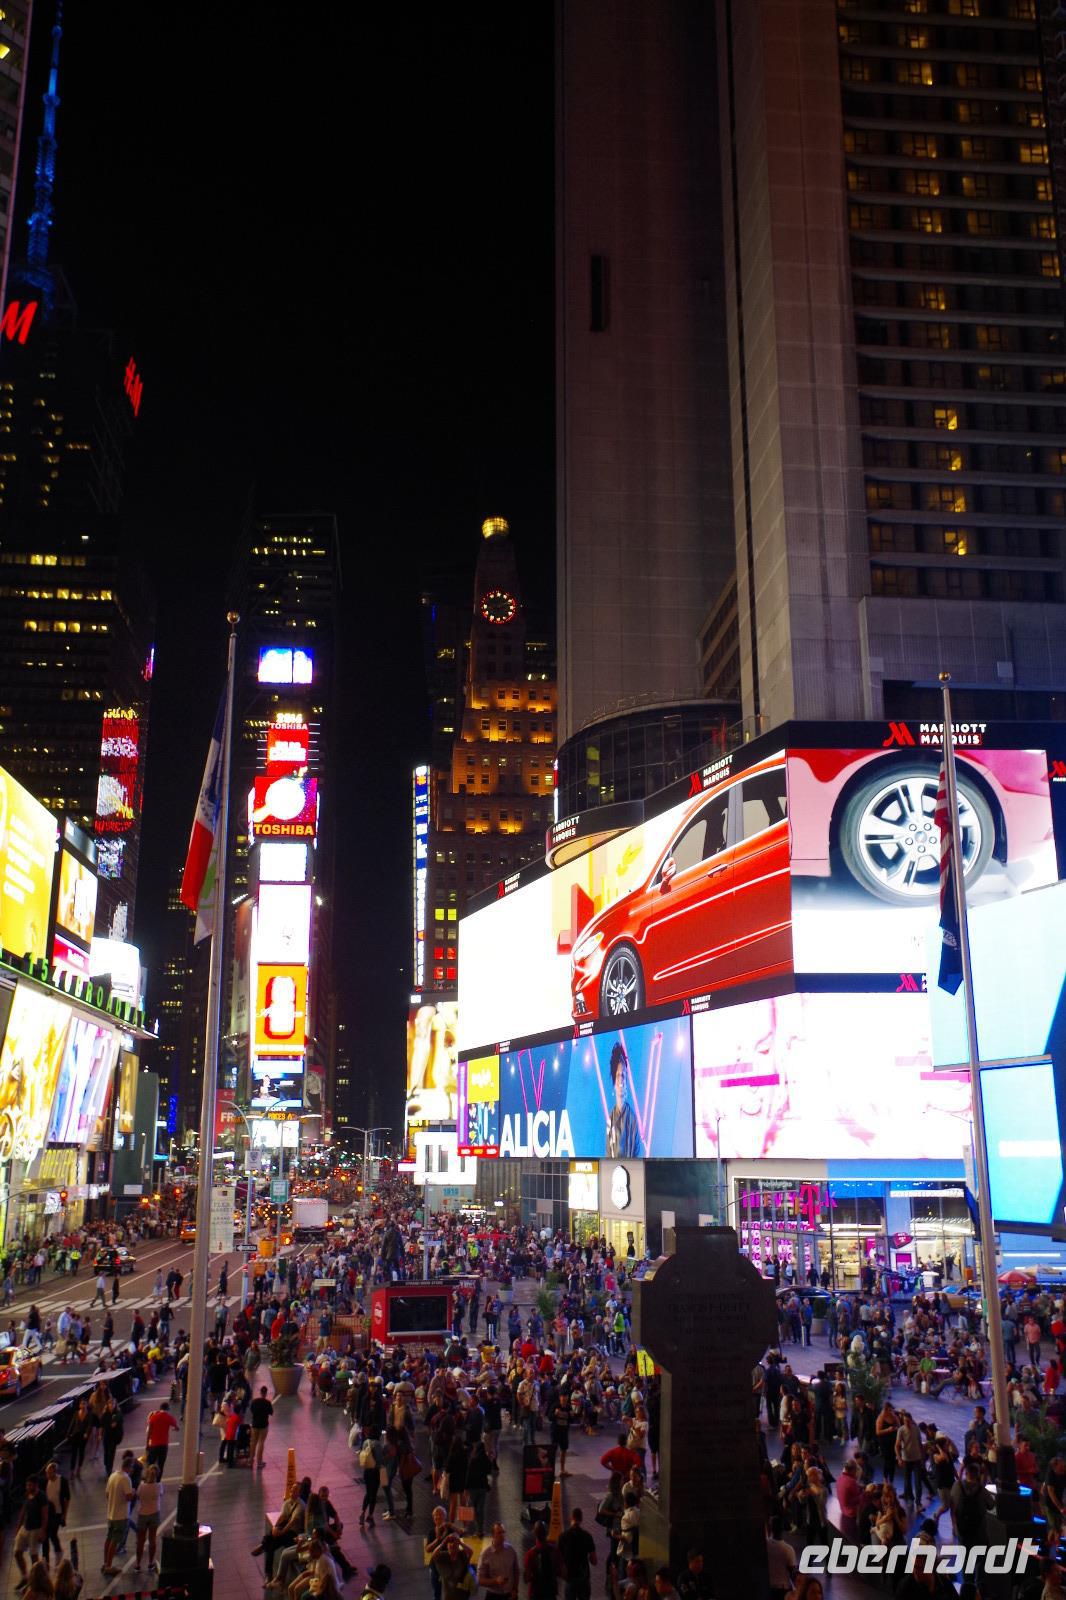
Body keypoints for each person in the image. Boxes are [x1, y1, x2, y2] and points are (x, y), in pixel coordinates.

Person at [605, 1043, 639, 1159]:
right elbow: (608, 1154)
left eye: (623, 1075)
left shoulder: (632, 1119)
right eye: (618, 1075)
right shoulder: (610, 1118)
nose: (621, 1079)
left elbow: (636, 1156)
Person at [102, 1456, 134, 1577]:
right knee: (114, 1541)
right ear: (129, 1467)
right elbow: (128, 1497)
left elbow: (107, 1494)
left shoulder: (113, 1475)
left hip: (111, 1514)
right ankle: (109, 1566)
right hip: (121, 1515)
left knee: (109, 1539)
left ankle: (105, 1563)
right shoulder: (126, 1479)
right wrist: (134, 1492)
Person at [557, 1507, 597, 1600]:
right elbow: (594, 1560)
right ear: (581, 1519)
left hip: (570, 1577)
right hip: (583, 1577)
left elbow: (559, 1559)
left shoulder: (563, 1536)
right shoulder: (587, 1536)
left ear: (571, 1518)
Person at [13, 1475, 47, 1582]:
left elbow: (45, 1516)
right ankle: (25, 1576)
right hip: (25, 1528)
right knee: (17, 1553)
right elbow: (23, 1511)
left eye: (30, 1485)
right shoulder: (27, 1494)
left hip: (35, 1529)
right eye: (27, 1485)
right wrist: (18, 1527)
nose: (28, 1487)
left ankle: (36, 1579)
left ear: (36, 1485)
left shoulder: (42, 1497)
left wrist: (42, 1531)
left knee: (34, 1556)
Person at [478, 1522, 520, 1599]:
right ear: (493, 1535)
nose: (502, 1535)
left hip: (509, 1594)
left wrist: (515, 1589)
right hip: (494, 1595)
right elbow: (480, 1580)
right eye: (499, 1533)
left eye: (503, 1532)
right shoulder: (485, 1554)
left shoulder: (511, 1550)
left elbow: (516, 1571)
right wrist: (495, 1581)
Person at [134, 1464, 163, 1573]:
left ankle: (138, 1564)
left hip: (142, 1514)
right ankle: (151, 1563)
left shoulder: (142, 1486)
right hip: (155, 1513)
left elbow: (138, 1497)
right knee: (152, 1540)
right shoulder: (159, 1486)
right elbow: (160, 1495)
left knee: (140, 1541)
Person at [42, 1459, 71, 1566]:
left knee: (53, 1533)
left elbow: (67, 1498)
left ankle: (58, 1551)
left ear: (55, 1472)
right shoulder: (45, 1482)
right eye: (46, 1473)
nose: (48, 1475)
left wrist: (64, 1515)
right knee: (45, 1535)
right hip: (48, 1512)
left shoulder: (62, 1481)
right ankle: (45, 1558)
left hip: (58, 1512)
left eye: (50, 1473)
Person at [432, 1531, 477, 1600]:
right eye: (450, 1542)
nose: (452, 1544)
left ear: (458, 1545)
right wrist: (443, 1542)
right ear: (447, 1546)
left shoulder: (461, 1554)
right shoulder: (443, 1555)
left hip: (462, 1595)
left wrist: (460, 1542)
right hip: (448, 1596)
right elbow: (434, 1555)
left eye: (454, 1542)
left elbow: (471, 1552)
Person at [525, 1521, 560, 1599]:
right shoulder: (555, 1550)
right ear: (547, 1533)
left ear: (534, 1534)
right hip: (551, 1592)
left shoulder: (530, 1553)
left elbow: (527, 1578)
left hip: (536, 1593)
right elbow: (562, 1571)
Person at [766, 1514, 797, 1600]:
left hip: (768, 1589)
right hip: (783, 1590)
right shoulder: (788, 1549)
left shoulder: (765, 1545)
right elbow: (792, 1573)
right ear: (782, 1529)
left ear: (771, 1528)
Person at [145, 1400, 179, 1472]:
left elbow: (149, 1432)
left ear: (160, 1408)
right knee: (161, 1465)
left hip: (154, 1444)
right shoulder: (169, 1417)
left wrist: (147, 1444)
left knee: (150, 1463)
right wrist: (174, 1428)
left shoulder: (153, 1417)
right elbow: (177, 1428)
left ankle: (149, 1479)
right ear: (168, 1409)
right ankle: (158, 1481)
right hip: (163, 1445)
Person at [249, 1384, 274, 1467]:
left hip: (254, 1424)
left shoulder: (254, 1401)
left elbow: (251, 1410)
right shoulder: (267, 1403)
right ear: (266, 1393)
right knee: (261, 1443)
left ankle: (250, 1460)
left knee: (253, 1442)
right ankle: (259, 1462)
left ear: (260, 1392)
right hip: (263, 1425)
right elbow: (271, 1413)